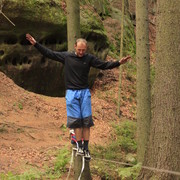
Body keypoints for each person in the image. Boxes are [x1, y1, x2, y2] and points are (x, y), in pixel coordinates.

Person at [26, 33, 131, 160]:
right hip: (71, 93)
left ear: (85, 49)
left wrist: (118, 63)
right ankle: (79, 146)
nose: (81, 52)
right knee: (77, 123)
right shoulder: (67, 56)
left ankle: (86, 149)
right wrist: (36, 44)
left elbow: (104, 65)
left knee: (86, 122)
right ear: (75, 47)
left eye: (83, 50)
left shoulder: (89, 58)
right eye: (79, 49)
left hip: (84, 92)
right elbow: (50, 54)